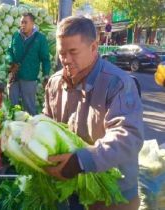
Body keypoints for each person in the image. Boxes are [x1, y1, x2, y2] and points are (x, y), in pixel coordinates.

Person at [43, 16, 144, 210]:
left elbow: (128, 136)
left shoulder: (118, 82)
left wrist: (82, 160)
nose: (66, 60)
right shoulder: (55, 82)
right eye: (61, 52)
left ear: (94, 48)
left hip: (113, 194)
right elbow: (48, 122)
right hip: (72, 186)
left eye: (73, 52)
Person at [8, 12, 51, 115]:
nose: (22, 25)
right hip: (14, 76)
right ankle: (12, 127)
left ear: (32, 23)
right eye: (21, 22)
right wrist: (10, 61)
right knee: (12, 107)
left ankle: (32, 128)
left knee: (29, 107)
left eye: (25, 22)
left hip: (29, 78)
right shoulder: (16, 36)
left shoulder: (40, 38)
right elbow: (9, 51)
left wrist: (46, 75)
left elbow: (45, 58)